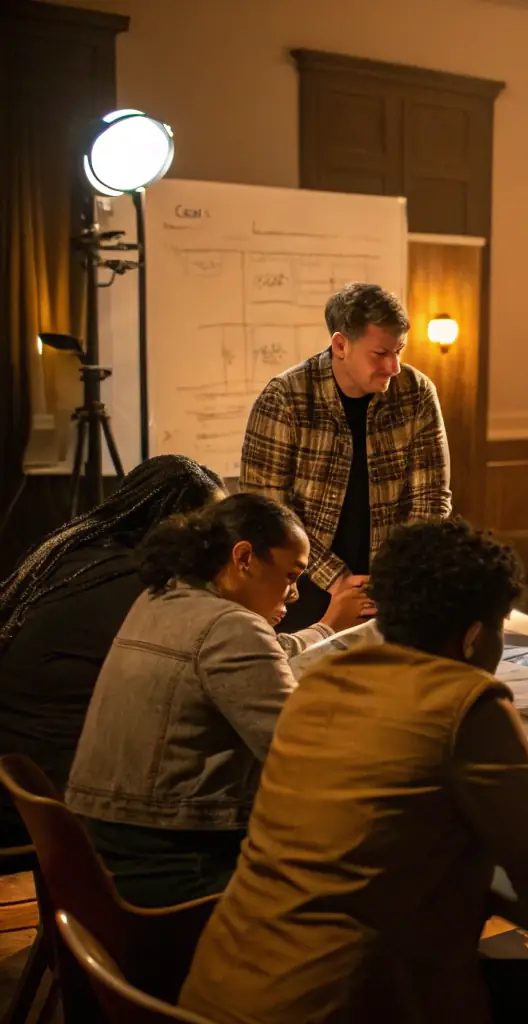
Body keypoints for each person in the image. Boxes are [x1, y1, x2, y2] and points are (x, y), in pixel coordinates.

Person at [177, 518, 528, 1024]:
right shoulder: (466, 701)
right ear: (474, 637)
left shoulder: (322, 682)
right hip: (345, 1005)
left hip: (222, 992)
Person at [64, 494, 345, 907]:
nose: (295, 594)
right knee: (353, 882)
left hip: (104, 848)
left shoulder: (160, 598)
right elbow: (302, 754)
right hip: (176, 863)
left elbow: (257, 655)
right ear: (244, 558)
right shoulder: (231, 627)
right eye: (290, 576)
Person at [0, 456, 225, 846]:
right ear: (176, 524)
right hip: (52, 791)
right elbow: (203, 674)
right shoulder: (136, 587)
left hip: (18, 769)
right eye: (210, 529)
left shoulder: (71, 552)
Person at [240, 282, 451, 633]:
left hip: (390, 587)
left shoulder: (417, 393)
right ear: (340, 345)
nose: (394, 366)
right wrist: (337, 580)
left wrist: (395, 575)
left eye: (399, 351)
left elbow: (430, 499)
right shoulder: (286, 398)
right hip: (300, 588)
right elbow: (265, 510)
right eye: (381, 353)